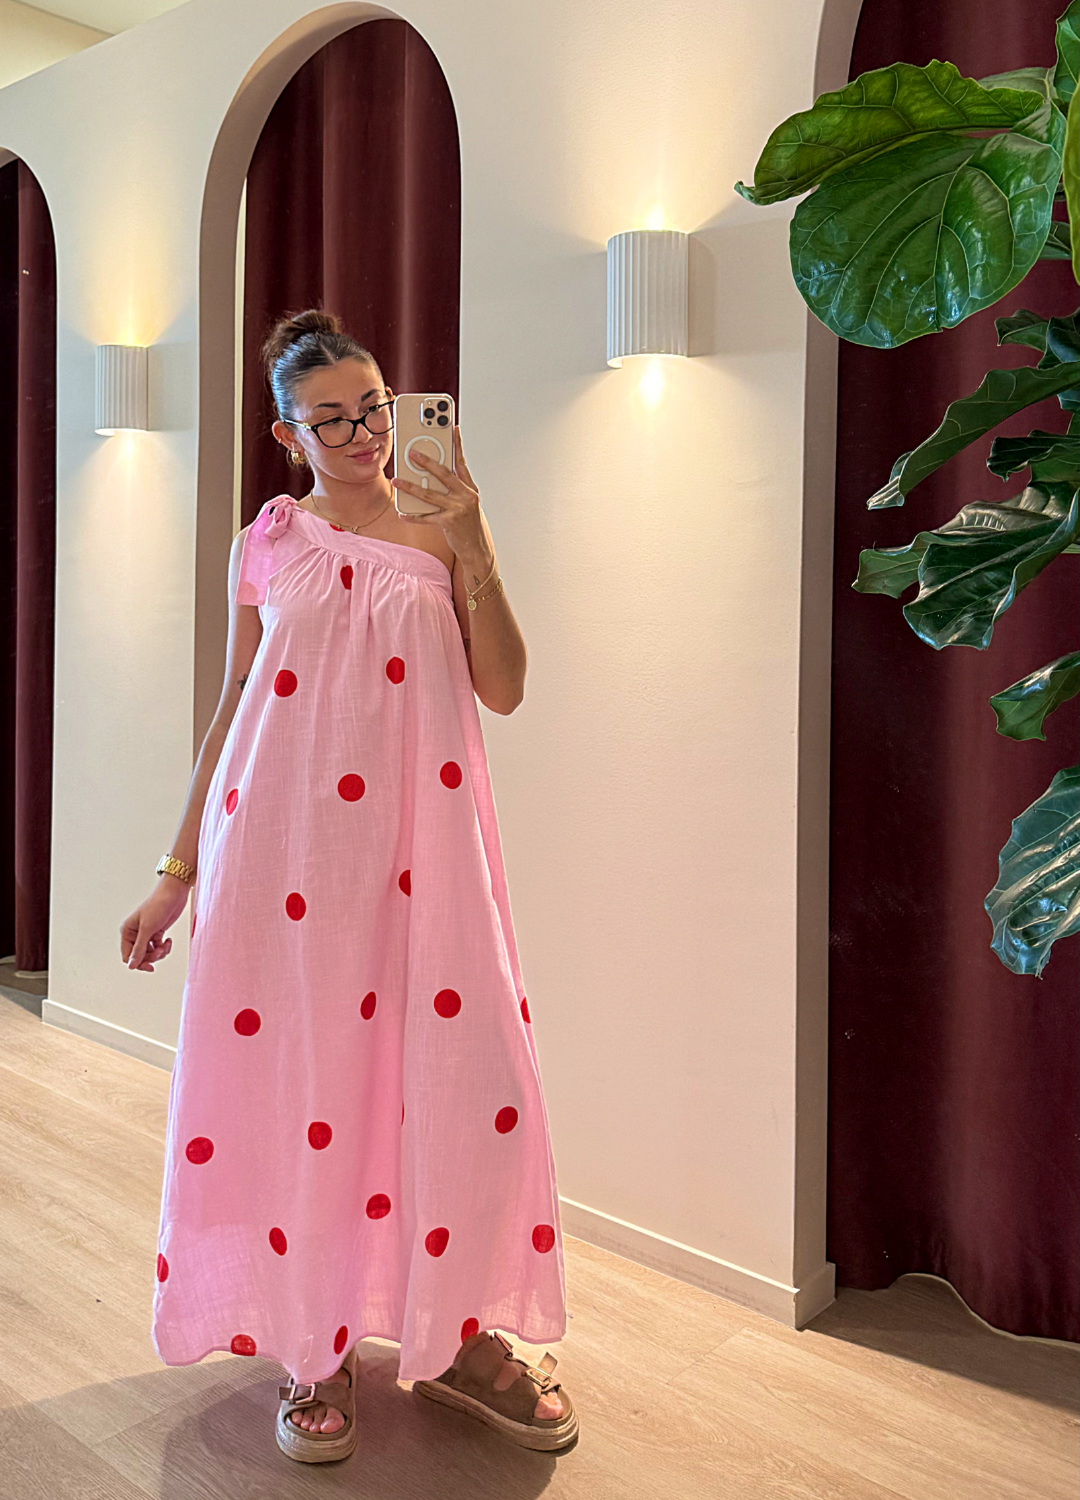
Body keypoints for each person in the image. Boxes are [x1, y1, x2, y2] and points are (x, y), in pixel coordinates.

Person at [119, 308, 577, 1461]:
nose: (364, 432)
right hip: (281, 864)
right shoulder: (268, 542)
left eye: (374, 407)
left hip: (429, 860)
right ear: (289, 436)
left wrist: (473, 536)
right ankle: (311, 1341)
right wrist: (175, 872)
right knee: (307, 1088)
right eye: (332, 419)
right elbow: (235, 706)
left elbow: (507, 688)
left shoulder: (441, 526)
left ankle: (460, 1336)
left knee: (464, 1081)